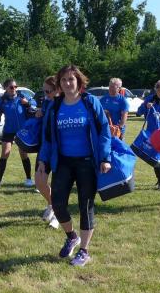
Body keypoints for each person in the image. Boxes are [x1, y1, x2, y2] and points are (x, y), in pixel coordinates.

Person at [37, 65, 112, 267]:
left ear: (79, 81)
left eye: (71, 79)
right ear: (59, 84)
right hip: (63, 162)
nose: (67, 83)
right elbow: (47, 137)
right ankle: (71, 236)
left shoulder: (90, 102)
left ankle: (84, 251)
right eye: (63, 80)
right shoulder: (55, 106)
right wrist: (43, 160)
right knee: (57, 203)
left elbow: (104, 130)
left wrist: (105, 157)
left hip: (87, 162)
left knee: (85, 206)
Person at [0, 78, 33, 188]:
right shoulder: (1, 100)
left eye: (15, 86)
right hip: (8, 130)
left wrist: (27, 103)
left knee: (23, 154)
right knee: (5, 153)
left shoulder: (22, 96)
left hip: (22, 130)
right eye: (11, 87)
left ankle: (29, 179)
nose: (14, 89)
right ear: (6, 88)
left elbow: (34, 106)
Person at [137, 79, 160, 190]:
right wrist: (145, 106)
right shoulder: (151, 98)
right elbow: (138, 112)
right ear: (155, 90)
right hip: (151, 132)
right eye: (158, 92)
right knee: (153, 156)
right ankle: (159, 179)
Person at [34, 76, 60, 229]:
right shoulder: (47, 103)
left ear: (57, 89)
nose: (45, 94)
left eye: (48, 91)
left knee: (58, 186)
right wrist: (39, 112)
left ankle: (57, 215)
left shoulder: (63, 104)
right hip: (45, 147)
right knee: (39, 181)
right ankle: (52, 205)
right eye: (44, 91)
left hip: (60, 151)